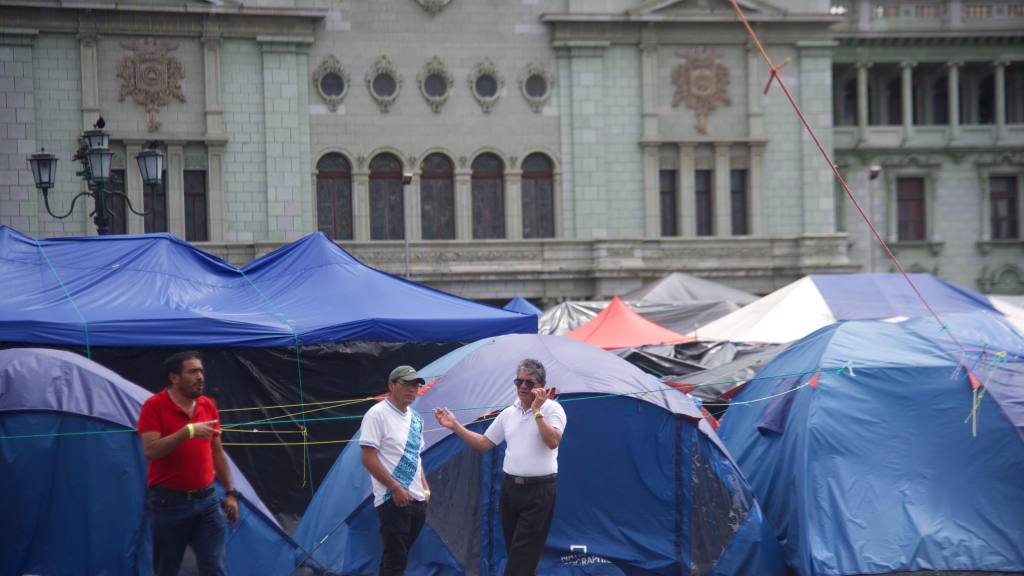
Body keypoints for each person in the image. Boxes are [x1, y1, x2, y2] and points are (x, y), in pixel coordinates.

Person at [434, 358, 566, 576]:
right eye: (518, 382)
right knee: (521, 557)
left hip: (539, 491)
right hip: (511, 490)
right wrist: (455, 426)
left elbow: (552, 441)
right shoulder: (508, 413)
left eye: (529, 383)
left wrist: (536, 411)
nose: (522, 387)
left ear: (541, 386)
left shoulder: (553, 410)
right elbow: (483, 443)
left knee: (519, 562)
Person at [137, 351, 239, 576]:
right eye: (193, 371)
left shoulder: (207, 405)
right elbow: (151, 450)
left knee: (214, 566)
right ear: (174, 377)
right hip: (169, 504)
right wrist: (188, 431)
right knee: (167, 568)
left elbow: (217, 452)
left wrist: (231, 492)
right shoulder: (153, 406)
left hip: (208, 501)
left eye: (201, 371)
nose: (200, 377)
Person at [360, 365, 432, 576]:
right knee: (395, 559)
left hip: (417, 498)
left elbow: (416, 456)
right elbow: (367, 458)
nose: (412, 389)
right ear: (392, 385)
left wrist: (426, 488)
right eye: (406, 384)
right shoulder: (377, 414)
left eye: (416, 385)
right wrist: (395, 487)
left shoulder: (416, 418)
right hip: (393, 498)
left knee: (398, 555)